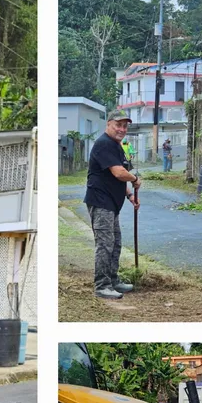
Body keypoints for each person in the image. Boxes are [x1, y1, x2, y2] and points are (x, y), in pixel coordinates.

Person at [85, 111, 141, 300]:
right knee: (105, 244)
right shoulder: (104, 144)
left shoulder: (117, 146)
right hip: (100, 203)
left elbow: (115, 177)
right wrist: (135, 179)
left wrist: (130, 195)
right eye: (118, 125)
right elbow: (119, 173)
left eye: (125, 126)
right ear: (108, 124)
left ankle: (113, 280)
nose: (122, 129)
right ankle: (102, 285)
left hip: (111, 203)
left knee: (115, 243)